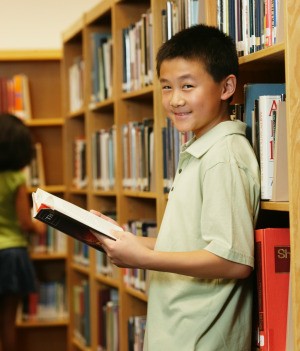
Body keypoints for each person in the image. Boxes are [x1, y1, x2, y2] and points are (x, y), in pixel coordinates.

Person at [95, 24, 260, 350]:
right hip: (179, 332)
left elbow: (233, 261)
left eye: (188, 85)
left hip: (200, 338)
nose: (175, 100)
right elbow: (193, 241)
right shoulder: (201, 150)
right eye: (166, 87)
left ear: (226, 87)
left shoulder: (222, 156)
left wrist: (142, 259)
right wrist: (126, 240)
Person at [0, 113, 46, 351]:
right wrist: (41, 225)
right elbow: (25, 222)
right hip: (11, 254)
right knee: (7, 321)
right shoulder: (16, 179)